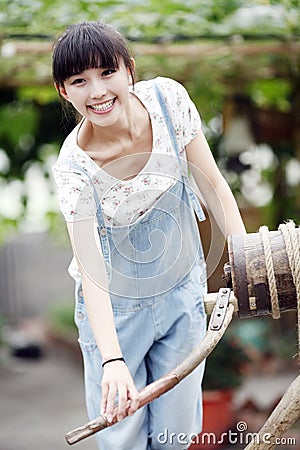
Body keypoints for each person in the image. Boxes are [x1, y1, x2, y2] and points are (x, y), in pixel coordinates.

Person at [52, 20, 246, 450]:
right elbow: (91, 269)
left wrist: (247, 261)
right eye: (79, 81)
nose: (98, 91)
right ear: (64, 92)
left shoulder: (168, 101)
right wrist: (112, 359)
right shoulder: (74, 169)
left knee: (175, 436)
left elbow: (213, 187)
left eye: (107, 72)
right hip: (115, 315)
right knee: (122, 439)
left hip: (181, 295)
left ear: (130, 70)